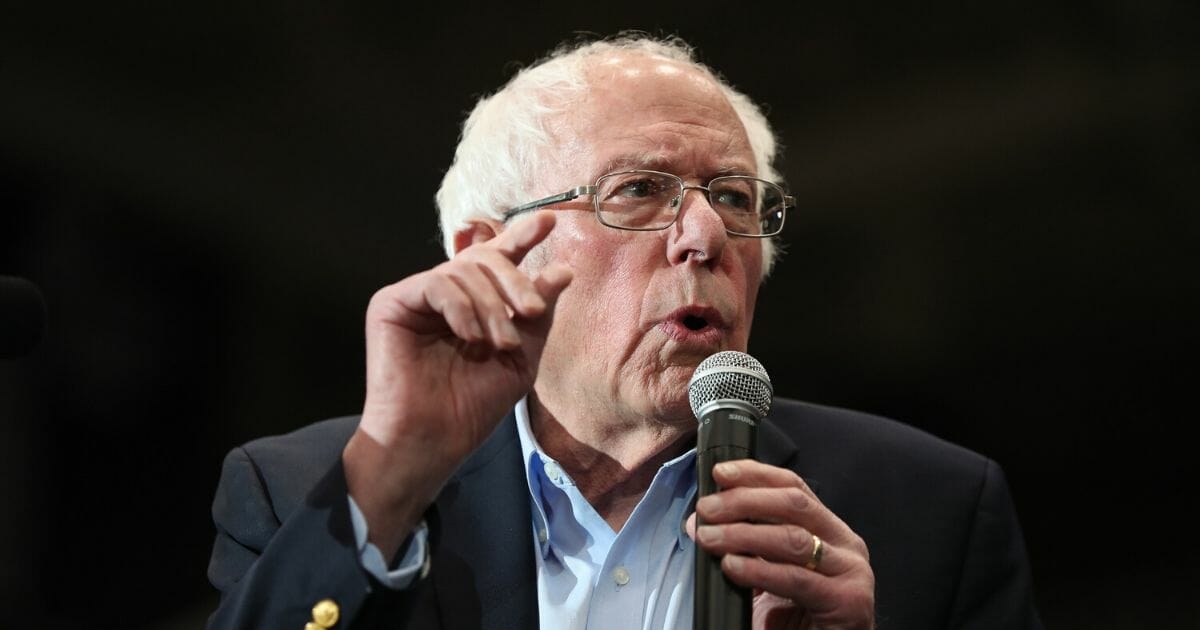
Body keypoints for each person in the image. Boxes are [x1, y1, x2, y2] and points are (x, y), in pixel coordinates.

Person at [207, 33, 1042, 629]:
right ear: (493, 255)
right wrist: (386, 489)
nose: (705, 234)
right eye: (640, 189)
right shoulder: (307, 497)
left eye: (736, 198)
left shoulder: (932, 508)